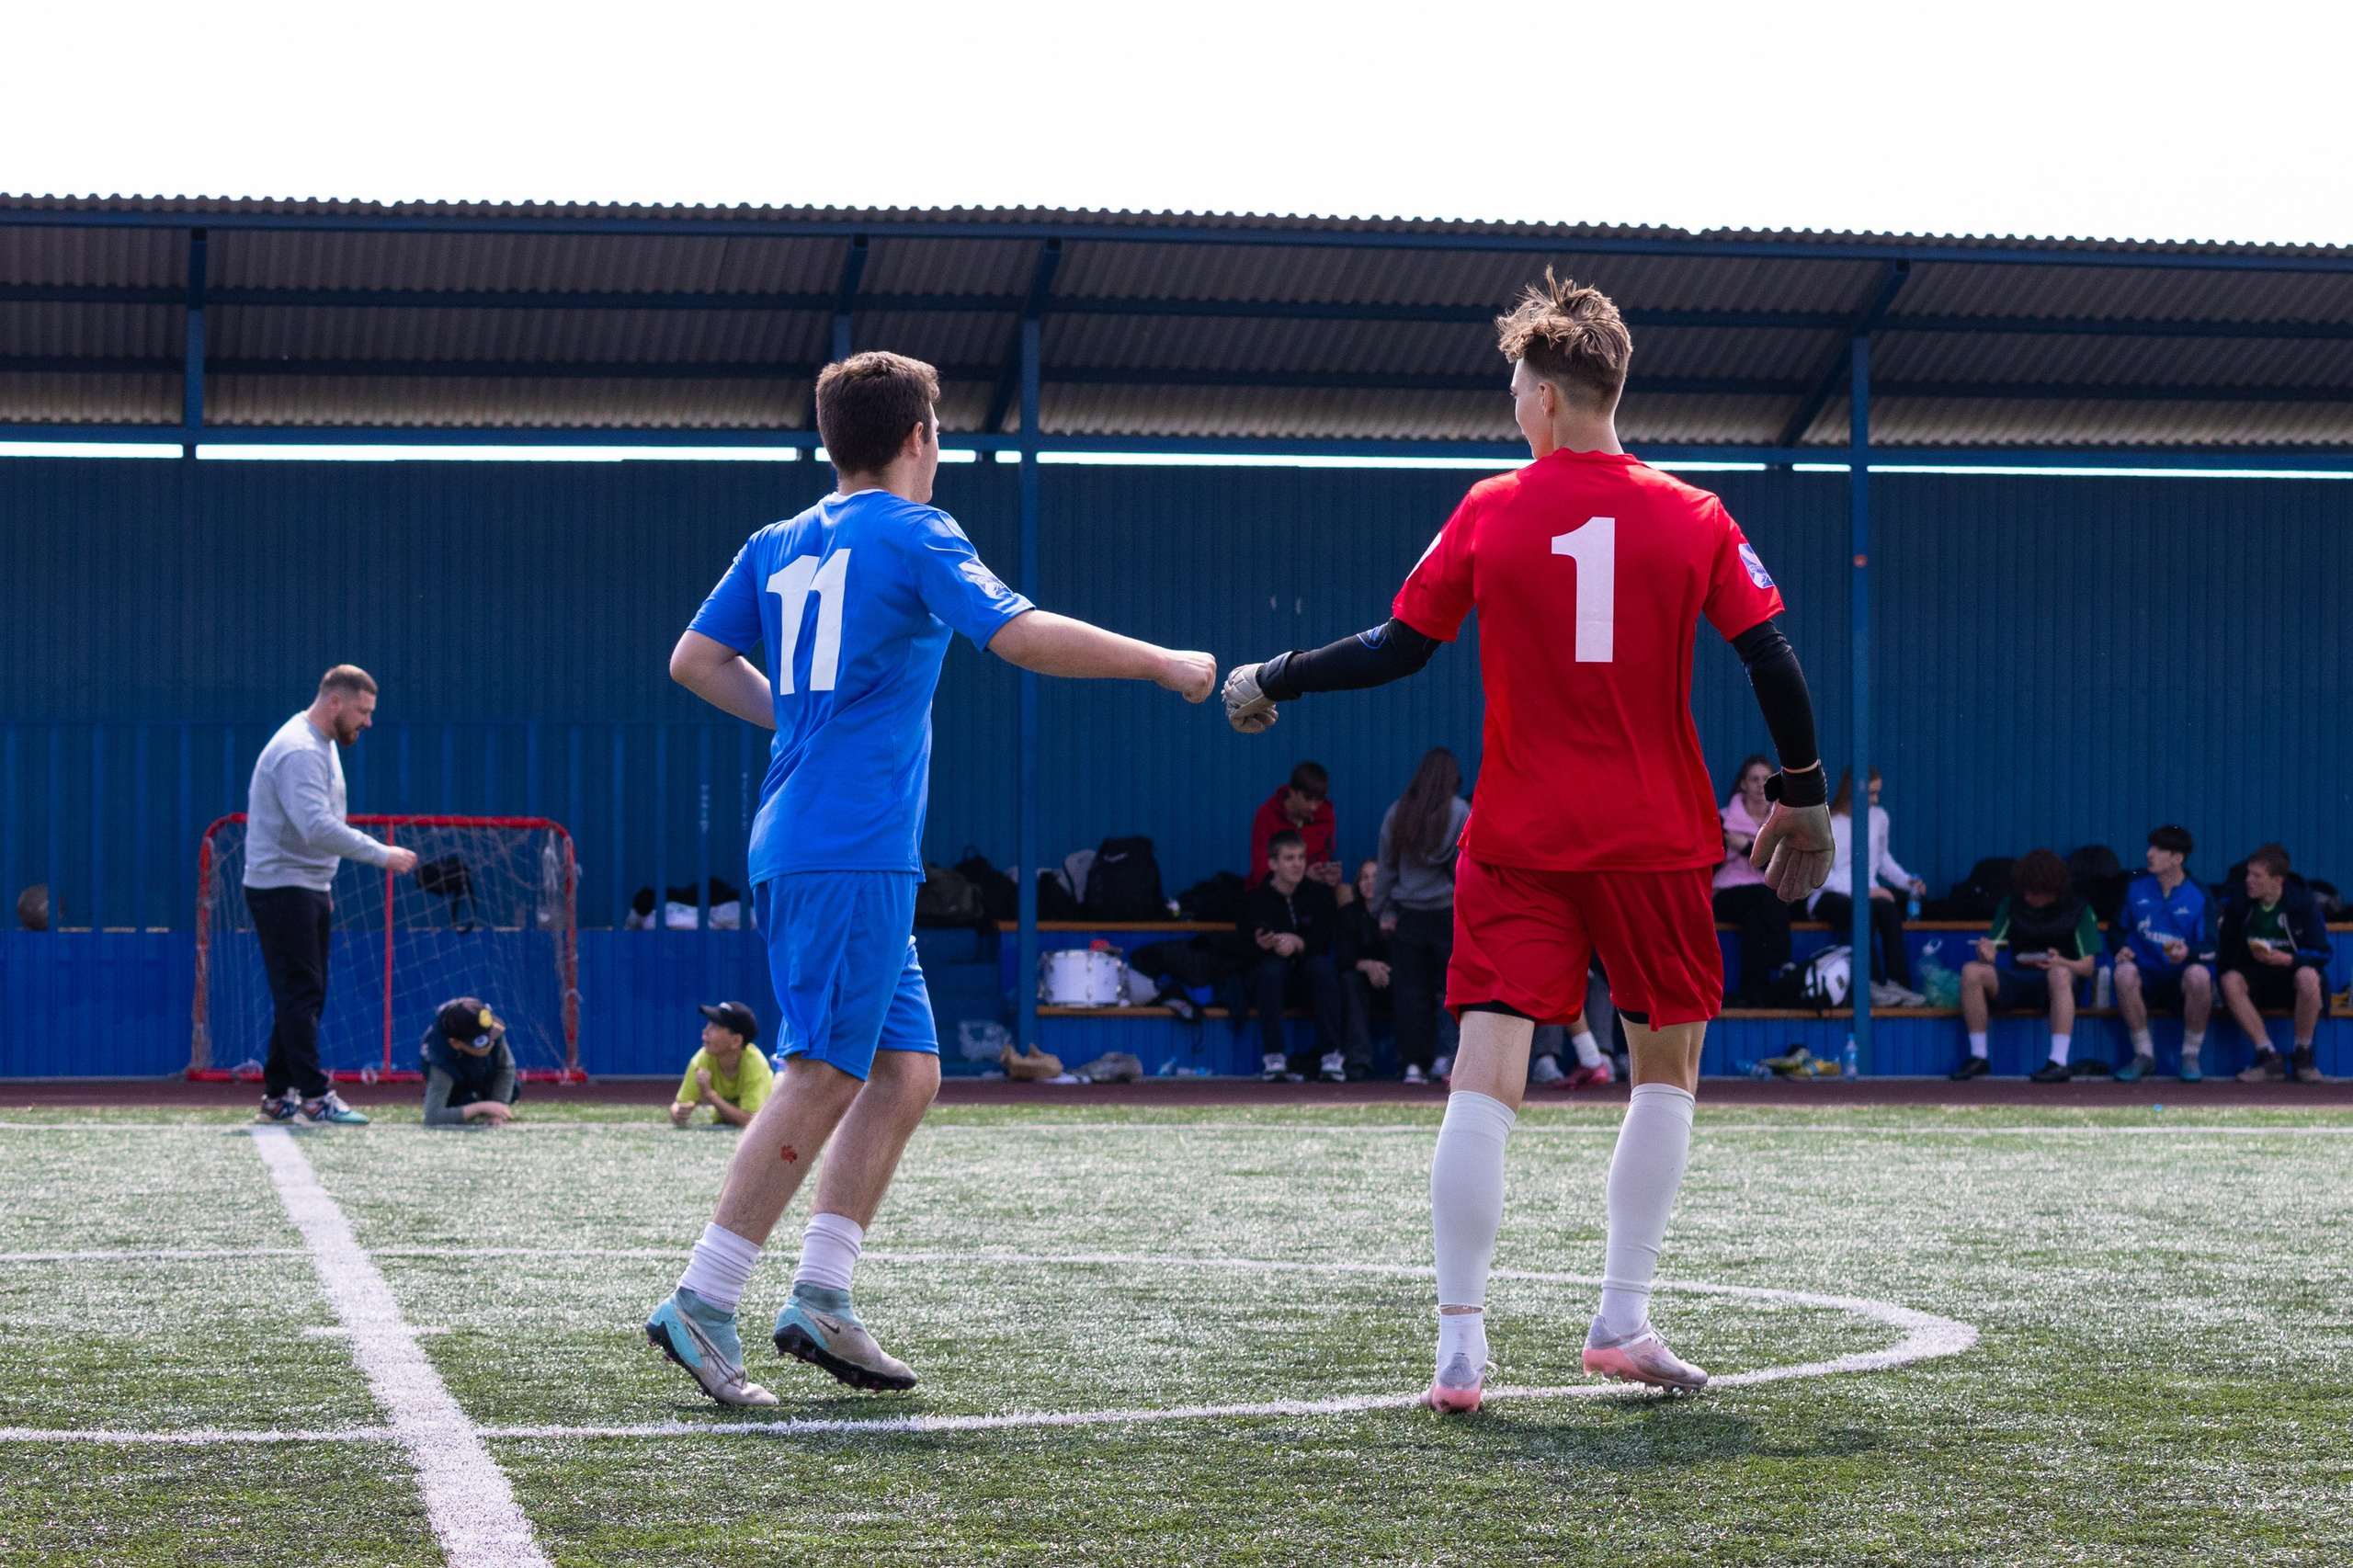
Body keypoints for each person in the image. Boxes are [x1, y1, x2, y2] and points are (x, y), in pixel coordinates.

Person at [1219, 270, 1833, 1406]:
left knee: (1484, 1079)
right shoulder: (1696, 514)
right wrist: (1803, 796)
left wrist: (1275, 676)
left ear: (1545, 396)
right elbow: (1773, 657)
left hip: (1515, 838)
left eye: (1514, 382)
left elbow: (1397, 645)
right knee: (1667, 1073)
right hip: (1654, 837)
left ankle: (1460, 1345)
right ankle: (1621, 1318)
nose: (1511, 401)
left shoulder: (1491, 507)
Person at [645, 350, 1216, 1407]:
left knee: (906, 1070)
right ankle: (703, 1297)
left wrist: (806, 715)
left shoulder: (776, 540)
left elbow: (693, 659)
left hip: (823, 841)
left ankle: (821, 1296)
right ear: (920, 437)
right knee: (822, 1069)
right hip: (847, 848)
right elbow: (1019, 635)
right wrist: (1162, 661)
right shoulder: (915, 531)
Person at [244, 665, 419, 1128]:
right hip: (282, 887)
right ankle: (315, 1097)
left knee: (303, 994)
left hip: (303, 886)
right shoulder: (299, 749)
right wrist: (382, 854)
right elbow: (316, 826)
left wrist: (321, 885)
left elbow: (313, 828)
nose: (368, 722)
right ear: (335, 702)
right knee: (302, 994)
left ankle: (279, 1095)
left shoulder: (320, 743)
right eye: (363, 711)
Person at [1952, 848, 2102, 1083]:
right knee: (1971, 971)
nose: (2028, 896)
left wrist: (2060, 961)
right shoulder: (2011, 904)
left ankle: (2058, 1061)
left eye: (2034, 891)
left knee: (2060, 974)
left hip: (2058, 983)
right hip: (2020, 979)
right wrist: (1986, 954)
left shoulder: (2080, 910)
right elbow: (1993, 948)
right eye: (2026, 889)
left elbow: (2087, 967)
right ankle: (1978, 1057)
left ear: (2052, 889)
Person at [1371, 747, 1470, 1087]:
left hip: (1408, 917)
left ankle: (1412, 1064)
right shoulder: (1461, 812)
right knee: (1450, 991)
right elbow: (1466, 868)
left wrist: (1380, 910)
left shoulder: (1398, 813)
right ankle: (1446, 1060)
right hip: (1448, 915)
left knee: (1410, 993)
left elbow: (1385, 869)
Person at [1808, 767, 1927, 1008]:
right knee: (1865, 910)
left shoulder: (1879, 818)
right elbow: (1819, 875)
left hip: (1867, 893)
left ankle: (1898, 984)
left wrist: (1907, 882)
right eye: (1871, 793)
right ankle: (1871, 984)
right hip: (1827, 896)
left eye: (1877, 793)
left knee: (1888, 907)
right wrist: (1862, 892)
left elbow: (1882, 859)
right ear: (1852, 791)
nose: (1875, 799)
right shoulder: (1827, 822)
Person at [2218, 845, 2333, 1084]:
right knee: (2229, 980)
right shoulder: (2239, 904)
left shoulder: (2302, 903)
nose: (2248, 880)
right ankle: (2268, 1055)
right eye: (2248, 874)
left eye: (2256, 876)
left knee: (2309, 976)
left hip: (2290, 978)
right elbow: (2226, 955)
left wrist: (2289, 958)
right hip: (2255, 979)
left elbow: (2323, 953)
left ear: (2277, 880)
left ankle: (2302, 1055)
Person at [2110, 825, 2214, 1083]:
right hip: (2145, 975)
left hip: (2180, 979)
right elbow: (2116, 930)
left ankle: (2190, 1056)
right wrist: (2120, 947)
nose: (2149, 854)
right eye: (2151, 847)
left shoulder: (2199, 894)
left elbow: (2211, 947)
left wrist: (2189, 953)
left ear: (2178, 858)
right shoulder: (2136, 887)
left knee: (2200, 976)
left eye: (2159, 849)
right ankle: (2144, 1056)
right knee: (2123, 972)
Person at [1245, 830, 1346, 1082]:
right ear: (1272, 863)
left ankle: (1331, 1056)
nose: (1298, 863)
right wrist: (1262, 944)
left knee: (1321, 967)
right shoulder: (1254, 900)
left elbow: (1323, 941)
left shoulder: (1320, 895)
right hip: (1271, 984)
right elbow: (1242, 952)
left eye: (1301, 857)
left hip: (1309, 983)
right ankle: (1274, 1056)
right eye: (1289, 858)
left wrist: (1298, 943)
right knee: (1271, 970)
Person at [1712, 755, 1793, 1006]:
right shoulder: (1723, 818)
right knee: (1766, 895)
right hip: (1726, 894)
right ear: (1743, 784)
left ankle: (1754, 990)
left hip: (1760, 903)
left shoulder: (1781, 823)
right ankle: (1782, 962)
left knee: (1754, 919)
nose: (1761, 785)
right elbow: (1708, 867)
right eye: (1754, 779)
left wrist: (1746, 847)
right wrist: (1726, 847)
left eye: (1766, 779)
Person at [670, 1001, 776, 1127]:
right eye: (708, 1024)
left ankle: (780, 1072)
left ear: (736, 1041)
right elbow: (679, 1104)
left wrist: (710, 1095)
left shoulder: (755, 1063)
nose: (705, 1031)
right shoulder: (702, 1059)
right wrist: (678, 1112)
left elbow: (750, 1121)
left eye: (715, 1027)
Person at [421, 997, 520, 1127]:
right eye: (480, 1043)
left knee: (513, 1090)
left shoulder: (491, 1031)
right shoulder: (441, 1059)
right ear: (455, 1043)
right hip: (456, 1073)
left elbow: (506, 1068)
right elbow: (433, 1117)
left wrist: (498, 1107)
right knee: (457, 1104)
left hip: (482, 1069)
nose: (490, 1044)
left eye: (491, 1037)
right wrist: (482, 1107)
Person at [1335, 858, 1389, 1082]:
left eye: (1375, 877)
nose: (1369, 882)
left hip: (1392, 980)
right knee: (1349, 980)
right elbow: (1343, 959)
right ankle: (1358, 1061)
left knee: (1413, 982)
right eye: (1364, 877)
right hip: (1361, 983)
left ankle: (1414, 1063)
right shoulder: (1349, 913)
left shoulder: (1395, 912)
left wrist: (1381, 968)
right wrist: (1368, 966)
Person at [1246, 762, 1341, 891]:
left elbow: (1327, 858)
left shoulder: (1325, 816)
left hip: (1313, 891)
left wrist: (1329, 875)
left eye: (1319, 799)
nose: (1314, 806)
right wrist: (1303, 877)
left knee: (1345, 892)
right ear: (1292, 791)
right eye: (1307, 799)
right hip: (1273, 892)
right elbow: (1261, 873)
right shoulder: (1267, 815)